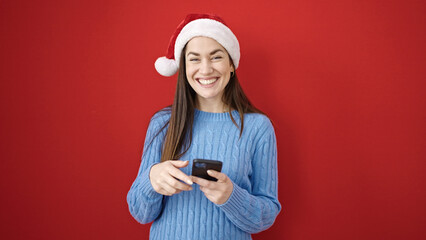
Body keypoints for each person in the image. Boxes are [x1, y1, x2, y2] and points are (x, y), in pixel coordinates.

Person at [127, 13, 281, 240]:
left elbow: (267, 215)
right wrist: (152, 180)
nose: (206, 69)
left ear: (231, 64)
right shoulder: (163, 123)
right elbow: (140, 212)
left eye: (216, 57)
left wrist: (231, 196)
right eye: (195, 59)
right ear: (183, 66)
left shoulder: (258, 128)